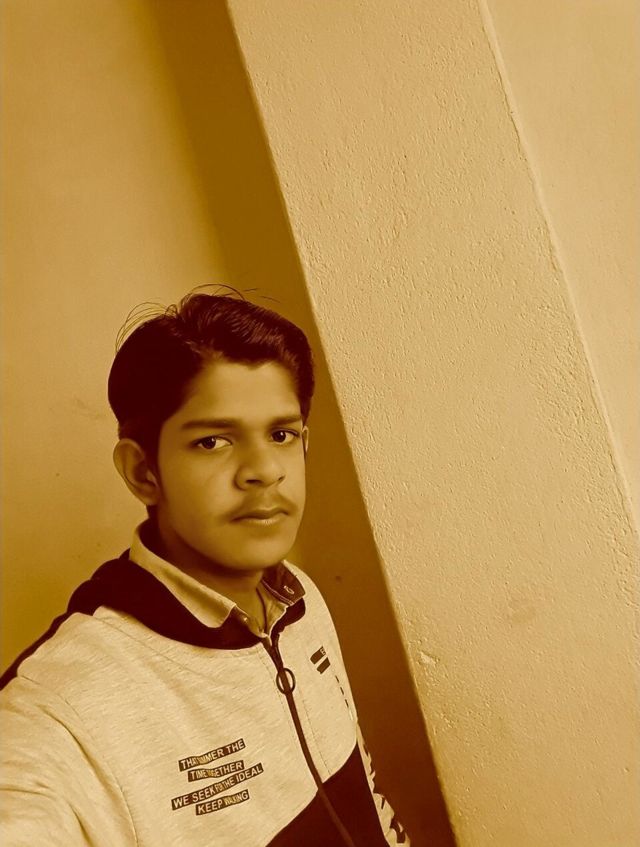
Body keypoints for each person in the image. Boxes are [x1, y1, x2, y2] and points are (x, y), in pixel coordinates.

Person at [0, 292, 408, 846]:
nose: (264, 470)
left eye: (282, 435)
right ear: (143, 472)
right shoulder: (56, 708)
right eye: (213, 441)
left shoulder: (297, 595)